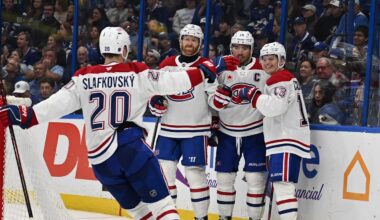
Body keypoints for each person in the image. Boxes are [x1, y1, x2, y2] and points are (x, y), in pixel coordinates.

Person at [0, 26, 219, 220]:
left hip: (101, 161)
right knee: (162, 207)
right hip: (131, 148)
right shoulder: (136, 72)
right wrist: (202, 71)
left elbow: (53, 106)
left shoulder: (83, 77)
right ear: (124, 49)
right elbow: (173, 81)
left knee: (141, 212)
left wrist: (25, 115)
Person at [148, 24, 236, 220]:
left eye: (194, 40)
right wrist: (155, 104)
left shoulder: (206, 66)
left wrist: (221, 98)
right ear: (180, 41)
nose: (189, 43)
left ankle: (201, 218)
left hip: (196, 131)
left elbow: (214, 100)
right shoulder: (167, 64)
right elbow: (156, 95)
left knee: (195, 176)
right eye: (186, 39)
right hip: (168, 130)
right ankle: (167, 217)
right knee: (164, 176)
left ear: (200, 43)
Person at [238, 42, 311, 220]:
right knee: (282, 186)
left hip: (286, 139)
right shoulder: (283, 78)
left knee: (283, 187)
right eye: (264, 59)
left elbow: (275, 108)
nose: (267, 63)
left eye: (272, 59)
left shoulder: (281, 79)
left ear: (282, 60)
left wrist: (253, 95)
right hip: (284, 139)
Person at [214, 31, 269, 220]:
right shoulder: (220, 68)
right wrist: (212, 121)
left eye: (244, 48)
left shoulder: (263, 68)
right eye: (236, 47)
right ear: (231, 48)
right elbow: (209, 96)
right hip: (226, 132)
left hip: (255, 132)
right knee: (224, 180)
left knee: (255, 180)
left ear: (251, 49)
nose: (240, 52)